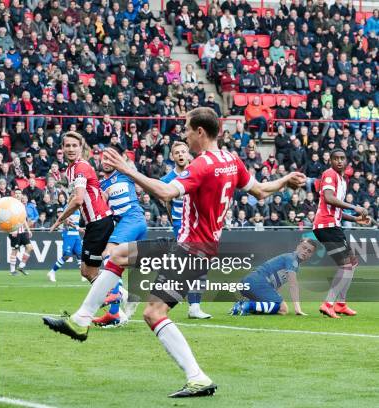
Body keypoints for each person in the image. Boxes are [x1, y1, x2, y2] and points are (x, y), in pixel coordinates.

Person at [43, 108, 306, 398]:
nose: (184, 135)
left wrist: (129, 170)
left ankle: (197, 377)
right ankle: (81, 321)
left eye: (187, 130)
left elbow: (166, 193)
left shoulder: (202, 165)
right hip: (189, 244)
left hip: (192, 250)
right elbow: (260, 191)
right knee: (119, 256)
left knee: (154, 313)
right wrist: (284, 181)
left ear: (201, 133)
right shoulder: (232, 160)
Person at [92, 144, 147, 327]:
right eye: (104, 158)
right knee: (118, 262)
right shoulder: (102, 185)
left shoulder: (125, 173)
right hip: (128, 223)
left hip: (132, 219)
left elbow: (135, 173)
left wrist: (122, 162)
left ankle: (118, 293)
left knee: (109, 253)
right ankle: (114, 313)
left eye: (110, 158)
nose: (107, 162)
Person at [313, 149, 371, 318]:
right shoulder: (330, 174)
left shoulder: (342, 180)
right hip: (326, 225)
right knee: (346, 265)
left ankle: (340, 304)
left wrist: (354, 219)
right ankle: (328, 303)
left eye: (342, 158)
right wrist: (355, 207)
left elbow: (335, 207)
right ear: (330, 161)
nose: (339, 161)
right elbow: (329, 198)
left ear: (346, 161)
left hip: (332, 225)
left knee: (351, 264)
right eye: (335, 158)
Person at [49, 131, 114, 283]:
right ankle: (118, 296)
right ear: (62, 148)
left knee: (90, 272)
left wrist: (60, 218)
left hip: (99, 221)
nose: (71, 149)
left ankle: (116, 301)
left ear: (81, 148)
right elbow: (76, 196)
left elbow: (78, 200)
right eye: (67, 146)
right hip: (93, 224)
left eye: (74, 146)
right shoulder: (70, 170)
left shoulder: (81, 167)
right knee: (86, 271)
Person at [160, 142, 212, 319]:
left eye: (183, 151)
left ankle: (191, 304)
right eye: (177, 153)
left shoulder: (198, 173)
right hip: (183, 228)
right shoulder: (167, 180)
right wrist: (177, 222)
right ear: (172, 157)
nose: (181, 155)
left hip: (200, 226)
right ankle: (193, 306)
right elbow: (166, 203)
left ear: (189, 155)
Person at [231, 238, 319, 316]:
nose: (305, 251)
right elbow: (293, 285)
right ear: (298, 246)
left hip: (248, 282)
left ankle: (242, 305)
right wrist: (297, 309)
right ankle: (248, 305)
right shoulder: (292, 260)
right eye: (304, 248)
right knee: (283, 309)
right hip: (258, 282)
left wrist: (275, 298)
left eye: (309, 251)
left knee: (273, 306)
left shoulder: (291, 259)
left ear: (310, 255)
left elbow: (277, 284)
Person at [47, 209, 83, 282]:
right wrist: (77, 228)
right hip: (68, 234)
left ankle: (83, 274)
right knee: (66, 255)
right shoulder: (68, 208)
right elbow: (66, 221)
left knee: (80, 255)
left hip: (76, 235)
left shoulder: (78, 210)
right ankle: (52, 272)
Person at [8, 190, 33, 276]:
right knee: (15, 250)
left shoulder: (22, 205)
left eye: (19, 193)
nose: (18, 195)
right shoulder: (11, 205)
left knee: (29, 247)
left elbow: (23, 219)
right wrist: (12, 230)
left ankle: (21, 266)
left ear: (21, 195)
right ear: (14, 195)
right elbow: (8, 218)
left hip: (22, 231)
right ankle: (12, 270)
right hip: (14, 231)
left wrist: (28, 230)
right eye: (16, 193)